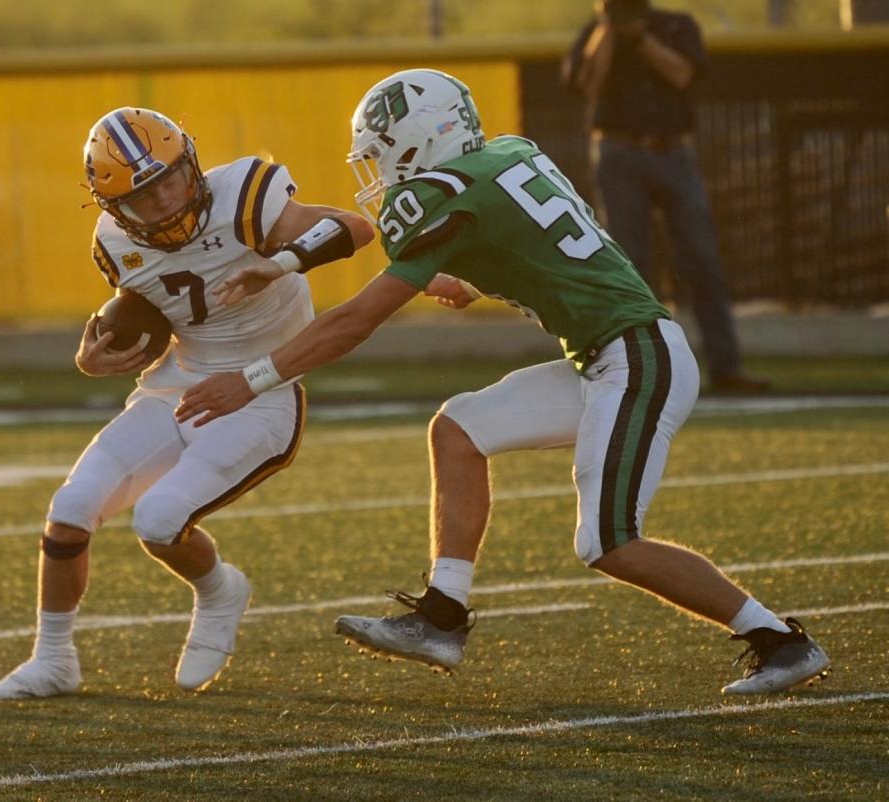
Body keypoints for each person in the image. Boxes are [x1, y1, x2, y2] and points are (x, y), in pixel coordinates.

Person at [173, 69, 829, 695]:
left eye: (382, 154)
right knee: (459, 426)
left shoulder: (445, 196)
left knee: (607, 541)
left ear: (420, 138)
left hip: (637, 359)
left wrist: (252, 378)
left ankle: (779, 638)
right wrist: (443, 273)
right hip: (610, 355)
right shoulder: (506, 155)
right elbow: (517, 237)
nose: (380, 173)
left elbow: (354, 322)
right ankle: (441, 617)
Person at [0, 107, 374, 700]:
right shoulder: (113, 244)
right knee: (70, 507)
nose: (163, 203)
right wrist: (93, 357)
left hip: (260, 392)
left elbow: (355, 228)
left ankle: (219, 589)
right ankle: (53, 657)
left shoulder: (244, 193)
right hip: (175, 388)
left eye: (170, 181)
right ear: (113, 209)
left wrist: (281, 262)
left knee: (159, 520)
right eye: (142, 198)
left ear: (191, 163)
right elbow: (138, 315)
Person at [560, 0, 768, 394]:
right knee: (629, 268)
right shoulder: (596, 32)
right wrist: (608, 25)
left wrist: (639, 37)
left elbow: (681, 74)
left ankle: (726, 368)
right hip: (619, 153)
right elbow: (587, 83)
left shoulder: (675, 25)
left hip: (671, 151)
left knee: (702, 258)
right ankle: (640, 370)